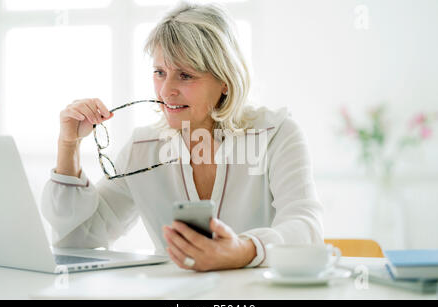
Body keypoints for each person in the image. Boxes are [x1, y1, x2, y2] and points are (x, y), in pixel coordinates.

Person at [41, 1, 324, 272]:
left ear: (225, 81)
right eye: (159, 72)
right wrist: (69, 145)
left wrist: (242, 251)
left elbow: (306, 228)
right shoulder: (143, 147)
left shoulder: (276, 133)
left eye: (185, 75)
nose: (165, 91)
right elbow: (77, 240)